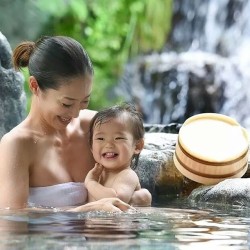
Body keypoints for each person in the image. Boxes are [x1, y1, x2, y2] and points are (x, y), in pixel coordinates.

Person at [0, 35, 152, 212]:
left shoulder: (95, 129)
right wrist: (87, 209)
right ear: (34, 86)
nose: (75, 114)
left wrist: (138, 199)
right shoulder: (18, 145)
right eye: (67, 104)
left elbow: (129, 180)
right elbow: (11, 219)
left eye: (84, 102)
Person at [85, 103, 152, 205]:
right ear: (91, 146)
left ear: (137, 146)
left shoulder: (127, 175)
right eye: (100, 138)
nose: (109, 144)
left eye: (118, 138)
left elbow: (116, 199)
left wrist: (90, 183)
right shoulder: (97, 174)